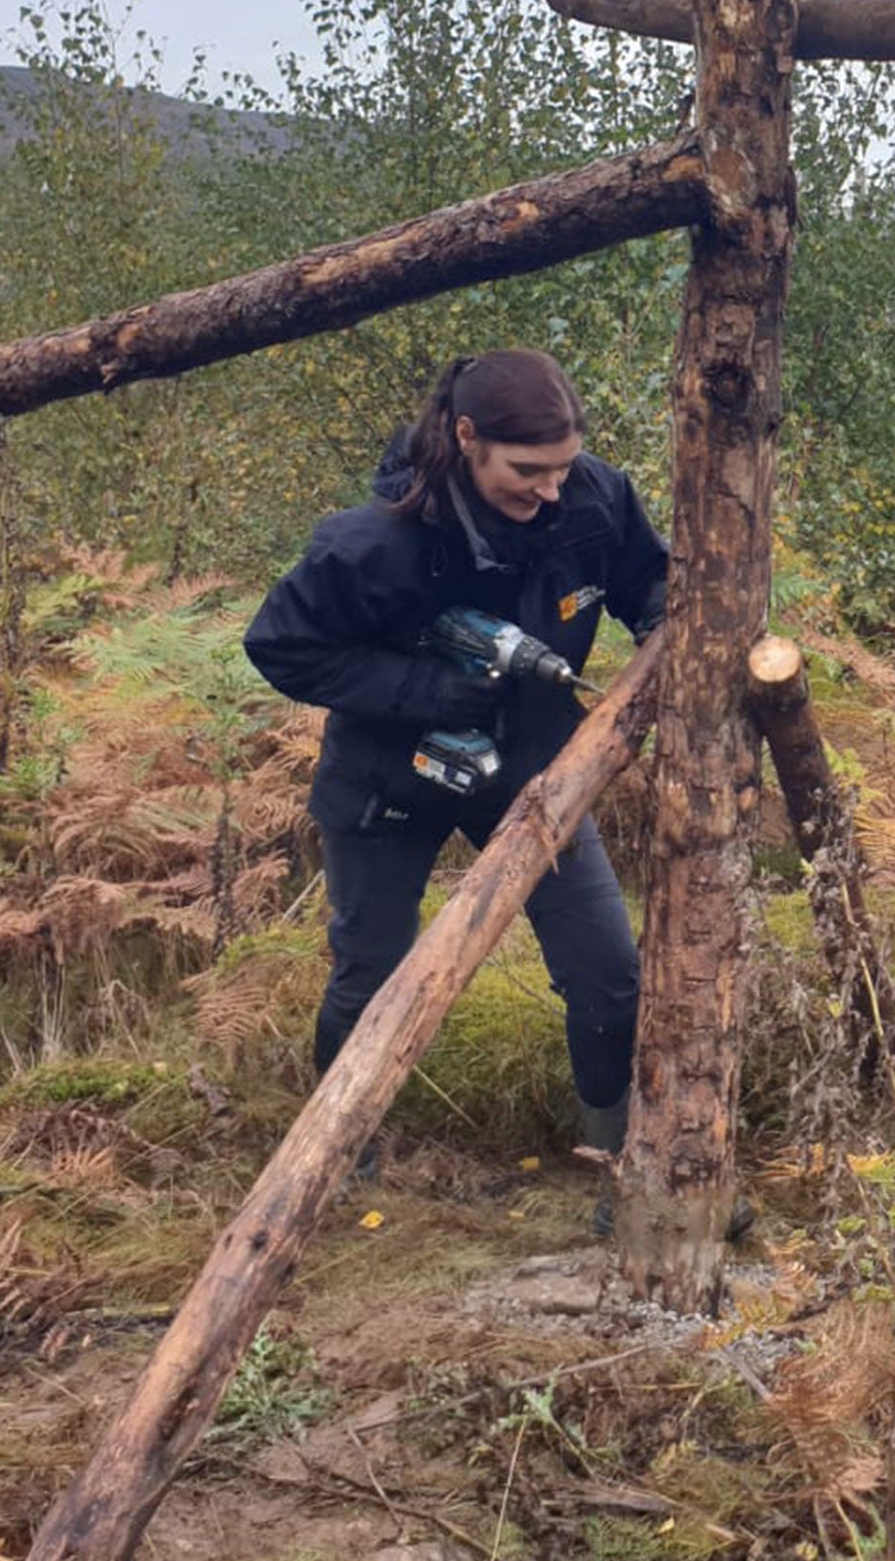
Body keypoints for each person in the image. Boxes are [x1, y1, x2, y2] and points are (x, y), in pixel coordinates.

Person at [244, 348, 665, 1177]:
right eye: (527, 471)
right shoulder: (370, 545)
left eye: (563, 467)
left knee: (608, 971)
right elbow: (279, 648)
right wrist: (425, 691)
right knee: (371, 975)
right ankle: (334, 1164)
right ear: (466, 438)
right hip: (388, 780)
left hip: (541, 774)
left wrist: (662, 623)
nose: (549, 489)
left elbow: (650, 579)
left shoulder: (594, 500)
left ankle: (618, 1157)